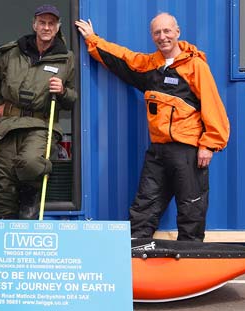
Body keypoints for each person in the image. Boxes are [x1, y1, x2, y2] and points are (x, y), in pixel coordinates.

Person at [75, 13, 230, 241]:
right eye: (157, 32)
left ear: (177, 32)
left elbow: (213, 105)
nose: (162, 37)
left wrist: (209, 144)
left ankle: (190, 259)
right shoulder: (150, 65)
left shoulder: (195, 66)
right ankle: (135, 256)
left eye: (167, 31)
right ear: (152, 36)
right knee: (144, 205)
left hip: (188, 150)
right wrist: (93, 40)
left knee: (191, 208)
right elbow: (123, 59)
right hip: (158, 151)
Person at [0, 4, 77, 219]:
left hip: (41, 124)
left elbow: (72, 98)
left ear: (57, 27)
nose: (46, 27)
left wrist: (63, 91)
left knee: (31, 163)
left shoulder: (66, 58)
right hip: (9, 125)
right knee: (5, 184)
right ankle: (5, 233)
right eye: (42, 23)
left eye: (51, 24)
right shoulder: (12, 52)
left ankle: (29, 191)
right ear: (34, 25)